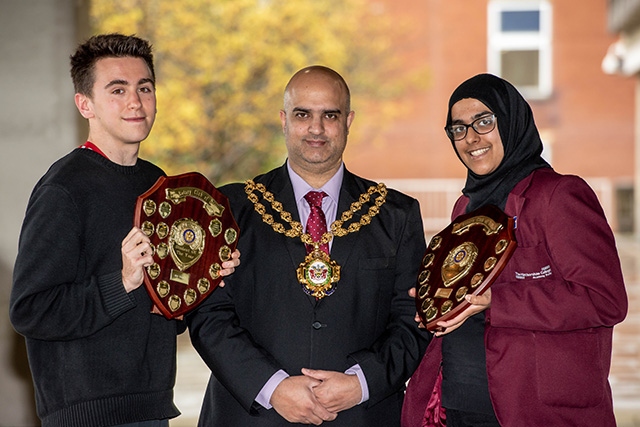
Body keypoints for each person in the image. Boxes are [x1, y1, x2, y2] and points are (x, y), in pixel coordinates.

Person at [9, 33, 238, 427]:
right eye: (117, 90)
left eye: (144, 88)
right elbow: (31, 311)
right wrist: (122, 281)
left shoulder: (160, 185)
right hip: (88, 415)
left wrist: (201, 279)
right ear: (85, 104)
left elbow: (161, 310)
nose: (135, 102)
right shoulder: (64, 189)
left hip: (152, 407)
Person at [186, 65, 429, 426]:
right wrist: (273, 388)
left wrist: (361, 383)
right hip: (251, 415)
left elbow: (414, 320)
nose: (316, 128)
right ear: (284, 120)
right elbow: (207, 315)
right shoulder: (230, 207)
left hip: (361, 415)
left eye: (329, 115)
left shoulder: (396, 214)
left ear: (348, 121)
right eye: (303, 114)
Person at [401, 73, 628, 427]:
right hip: (458, 405)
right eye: (458, 128)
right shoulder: (465, 206)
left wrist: (496, 299)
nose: (470, 137)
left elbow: (603, 298)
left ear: (511, 120)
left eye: (484, 121)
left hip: (532, 410)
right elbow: (468, 290)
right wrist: (439, 303)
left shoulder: (559, 195)